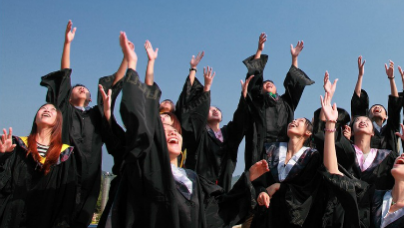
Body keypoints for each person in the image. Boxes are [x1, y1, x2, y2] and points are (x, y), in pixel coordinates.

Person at [105, 31, 269, 228]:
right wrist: (134, 65)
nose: (173, 131)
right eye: (164, 128)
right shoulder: (148, 169)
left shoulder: (192, 181)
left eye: (174, 129)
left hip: (218, 183)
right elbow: (142, 121)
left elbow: (218, 211)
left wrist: (247, 179)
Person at [320, 75, 404, 228]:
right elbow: (334, 172)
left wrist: (396, 80)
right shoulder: (372, 196)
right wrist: (330, 124)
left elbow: (395, 111)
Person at [39, 20, 113, 227]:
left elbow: (110, 96)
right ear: (68, 97)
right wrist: (67, 43)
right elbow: (64, 78)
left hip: (90, 178)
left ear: (90, 98)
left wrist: (126, 59)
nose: (81, 88)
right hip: (64, 173)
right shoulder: (66, 112)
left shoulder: (95, 116)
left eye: (85, 89)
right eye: (77, 87)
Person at [241, 33, 315, 168]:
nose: (268, 84)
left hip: (282, 152)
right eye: (265, 84)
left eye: (271, 83)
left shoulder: (286, 103)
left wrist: (294, 58)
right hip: (259, 150)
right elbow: (253, 80)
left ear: (276, 89)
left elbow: (294, 83)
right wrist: (259, 51)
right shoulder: (256, 103)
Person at [174, 52, 247, 188]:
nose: (214, 110)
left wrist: (243, 97)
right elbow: (188, 111)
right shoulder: (200, 134)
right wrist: (204, 85)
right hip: (199, 187)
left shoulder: (228, 134)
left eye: (217, 109)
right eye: (210, 109)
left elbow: (240, 121)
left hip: (222, 189)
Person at [0, 104, 78, 227]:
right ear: (35, 119)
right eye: (43, 108)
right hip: (13, 217)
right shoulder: (16, 145)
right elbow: (2, 182)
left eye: (53, 110)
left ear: (58, 121)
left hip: (46, 218)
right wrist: (3, 156)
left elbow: (67, 197)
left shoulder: (65, 155)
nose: (47, 109)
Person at [251, 115, 322, 228]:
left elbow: (308, 190)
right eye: (294, 119)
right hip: (266, 216)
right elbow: (258, 180)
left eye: (301, 121)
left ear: (308, 133)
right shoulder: (270, 150)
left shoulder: (312, 157)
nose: (294, 121)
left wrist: (281, 187)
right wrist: (261, 191)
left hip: (291, 219)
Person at [350, 57, 403, 152]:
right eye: (373, 108)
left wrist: (391, 78)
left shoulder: (390, 129)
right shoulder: (363, 127)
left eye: (381, 108)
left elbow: (395, 104)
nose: (377, 107)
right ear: (368, 116)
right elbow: (357, 103)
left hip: (388, 165)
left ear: (386, 117)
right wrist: (360, 76)